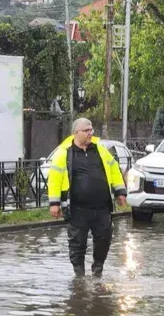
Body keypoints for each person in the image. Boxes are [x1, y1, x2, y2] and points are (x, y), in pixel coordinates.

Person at [47, 118, 127, 277]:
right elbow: (54, 179)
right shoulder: (64, 153)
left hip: (102, 207)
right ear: (76, 132)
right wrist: (54, 203)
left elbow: (114, 170)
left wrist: (120, 192)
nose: (91, 133)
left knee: (104, 239)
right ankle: (79, 276)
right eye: (86, 130)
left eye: (91, 130)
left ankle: (98, 271)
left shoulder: (100, 149)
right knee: (77, 244)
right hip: (77, 208)